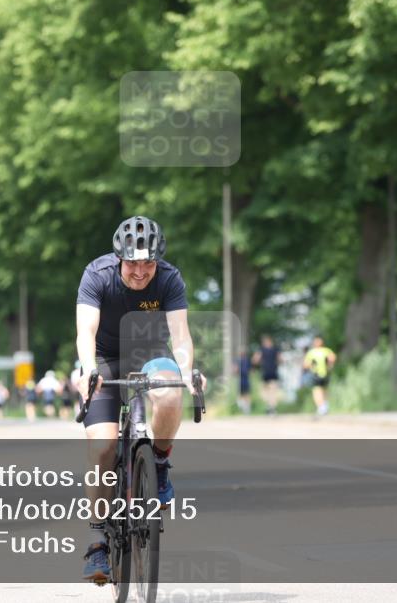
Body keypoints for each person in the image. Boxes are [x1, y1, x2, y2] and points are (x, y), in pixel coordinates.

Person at [74, 216, 204, 584]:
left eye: (148, 263)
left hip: (149, 353)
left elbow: (180, 335)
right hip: (103, 357)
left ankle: (159, 462)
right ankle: (98, 537)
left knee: (170, 390)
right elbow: (86, 330)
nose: (140, 271)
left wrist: (187, 370)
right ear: (119, 258)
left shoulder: (169, 278)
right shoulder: (96, 275)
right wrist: (87, 371)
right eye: (132, 263)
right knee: (102, 446)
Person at [303, 336, 336, 416]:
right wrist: (330, 366)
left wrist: (311, 366)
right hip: (326, 373)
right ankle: (325, 405)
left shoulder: (312, 352)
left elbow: (306, 364)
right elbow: (333, 358)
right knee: (324, 390)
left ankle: (321, 407)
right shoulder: (326, 351)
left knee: (317, 391)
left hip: (316, 374)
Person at [252, 335, 282, 415]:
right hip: (273, 372)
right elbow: (280, 359)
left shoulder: (261, 349)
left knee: (265, 391)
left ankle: (269, 406)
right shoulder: (275, 349)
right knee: (273, 391)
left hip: (265, 372)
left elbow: (255, 359)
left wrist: (260, 364)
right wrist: (275, 364)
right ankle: (272, 407)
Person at [236, 347, 252, 414]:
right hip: (242, 379)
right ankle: (245, 407)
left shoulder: (244, 361)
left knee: (245, 394)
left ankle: (246, 408)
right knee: (243, 394)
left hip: (244, 379)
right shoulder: (240, 360)